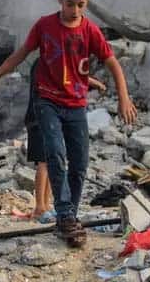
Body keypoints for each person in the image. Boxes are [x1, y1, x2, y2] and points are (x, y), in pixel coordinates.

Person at [0, 0, 137, 248]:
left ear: (87, 2)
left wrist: (124, 97)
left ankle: (69, 214)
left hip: (76, 105)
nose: (75, 10)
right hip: (47, 100)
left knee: (80, 163)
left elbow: (112, 63)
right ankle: (64, 214)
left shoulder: (90, 31)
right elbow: (20, 55)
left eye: (81, 4)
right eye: (70, 4)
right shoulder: (45, 26)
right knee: (55, 154)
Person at [25, 58, 106, 223]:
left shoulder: (45, 61)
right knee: (43, 162)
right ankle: (39, 206)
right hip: (40, 117)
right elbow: (69, 74)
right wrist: (94, 83)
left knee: (50, 160)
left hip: (46, 116)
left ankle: (46, 204)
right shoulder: (46, 62)